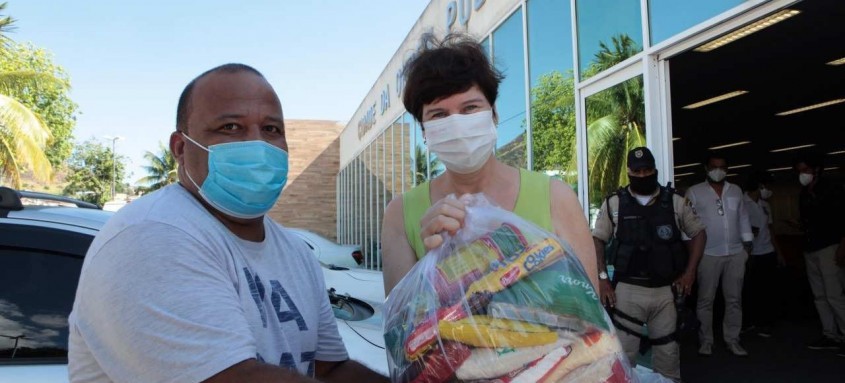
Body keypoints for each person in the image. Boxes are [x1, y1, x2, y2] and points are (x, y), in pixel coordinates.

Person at [67, 64, 388, 383]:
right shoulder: (152, 235)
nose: (257, 144)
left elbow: (330, 369)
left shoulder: (296, 253)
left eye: (272, 130)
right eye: (231, 127)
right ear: (181, 148)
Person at [381, 33, 598, 295]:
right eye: (439, 114)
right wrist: (436, 261)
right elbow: (401, 327)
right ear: (425, 131)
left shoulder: (556, 197)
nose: (457, 124)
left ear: (494, 113)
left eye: (470, 108)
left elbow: (591, 311)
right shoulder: (401, 215)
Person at [592, 147, 705, 382]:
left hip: (665, 292)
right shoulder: (614, 203)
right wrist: (602, 279)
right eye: (637, 171)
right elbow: (597, 240)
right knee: (623, 358)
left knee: (668, 355)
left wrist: (689, 273)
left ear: (654, 169)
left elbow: (699, 234)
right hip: (627, 292)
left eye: (647, 170)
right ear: (629, 172)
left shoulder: (675, 202)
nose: (643, 175)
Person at [685, 152, 753, 357]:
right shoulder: (695, 192)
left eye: (722, 167)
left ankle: (733, 339)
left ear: (727, 169)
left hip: (735, 253)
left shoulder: (736, 191)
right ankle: (706, 341)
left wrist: (747, 245)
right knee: (706, 300)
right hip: (708, 254)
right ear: (706, 168)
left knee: (734, 299)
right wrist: (693, 254)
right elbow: (687, 224)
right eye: (714, 166)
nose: (718, 171)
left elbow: (743, 217)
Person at [794, 153, 845, 353]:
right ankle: (829, 334)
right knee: (820, 296)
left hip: (829, 247)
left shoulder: (832, 188)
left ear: (816, 169)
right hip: (810, 248)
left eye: (805, 170)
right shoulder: (804, 192)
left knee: (834, 294)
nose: (802, 174)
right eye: (799, 171)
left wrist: (842, 247)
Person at [741, 171, 784, 337]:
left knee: (768, 289)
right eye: (766, 186)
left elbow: (770, 229)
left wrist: (779, 252)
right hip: (750, 253)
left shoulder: (765, 205)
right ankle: (749, 321)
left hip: (767, 251)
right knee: (750, 289)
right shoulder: (742, 203)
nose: (768, 189)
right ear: (760, 186)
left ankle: (766, 322)